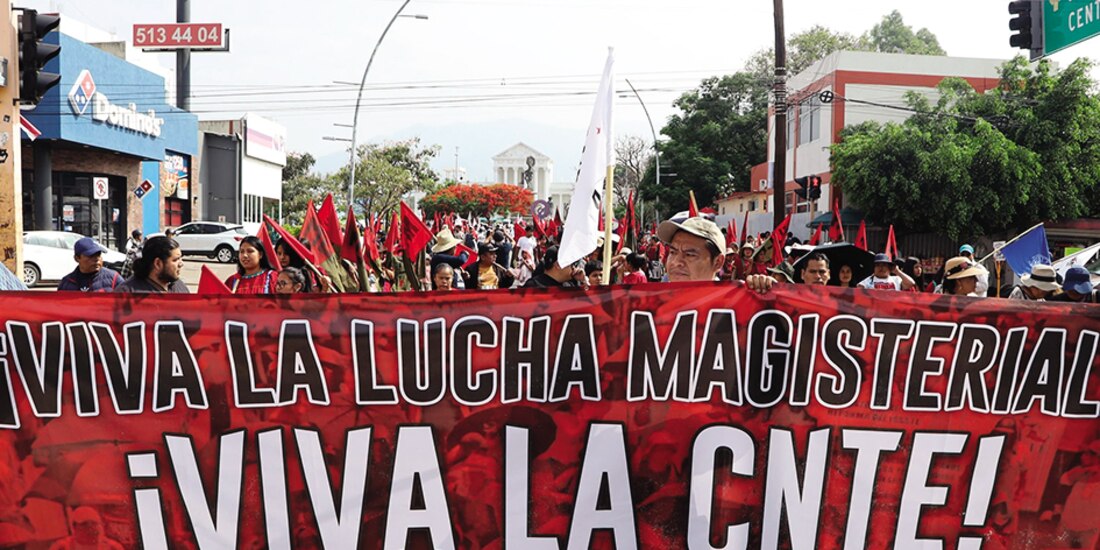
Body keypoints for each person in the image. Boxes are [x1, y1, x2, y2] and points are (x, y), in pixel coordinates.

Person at [657, 217, 726, 282]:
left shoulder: (729, 295)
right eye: (672, 252)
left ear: (718, 262)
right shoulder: (656, 293)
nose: (676, 262)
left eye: (689, 255)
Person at [114, 236, 189, 293]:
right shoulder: (127, 293)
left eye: (180, 258)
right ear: (158, 263)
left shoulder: (179, 286)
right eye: (175, 260)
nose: (181, 264)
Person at [57, 237, 122, 292]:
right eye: (91, 256)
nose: (97, 259)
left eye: (98, 255)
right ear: (77, 258)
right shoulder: (67, 283)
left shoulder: (114, 279)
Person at [745, 252, 831, 293]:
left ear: (829, 274)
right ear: (803, 274)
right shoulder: (788, 300)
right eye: (812, 272)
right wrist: (755, 288)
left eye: (822, 272)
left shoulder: (841, 304)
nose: (818, 276)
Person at [48, 506, 123, 550]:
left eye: (94, 523)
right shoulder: (62, 547)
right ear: (74, 527)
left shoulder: (113, 548)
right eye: (84, 524)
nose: (91, 528)